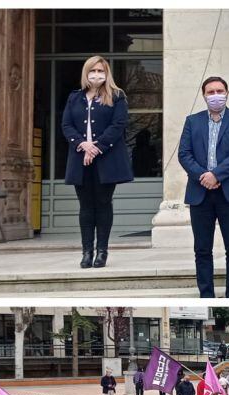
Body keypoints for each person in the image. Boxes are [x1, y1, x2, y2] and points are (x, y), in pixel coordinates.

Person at [179, 76, 229, 298]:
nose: (215, 95)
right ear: (203, 95)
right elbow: (184, 154)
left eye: (219, 91)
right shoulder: (193, 121)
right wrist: (204, 176)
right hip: (200, 192)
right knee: (202, 249)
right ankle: (206, 295)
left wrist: (217, 175)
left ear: (227, 93)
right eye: (210, 92)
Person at [61, 56, 134, 268]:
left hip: (107, 158)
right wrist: (83, 145)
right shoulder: (75, 97)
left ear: (106, 73)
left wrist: (97, 147)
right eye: (92, 71)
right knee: (85, 206)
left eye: (100, 71)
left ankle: (102, 251)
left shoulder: (117, 96)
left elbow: (118, 124)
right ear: (86, 73)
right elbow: (66, 125)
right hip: (80, 158)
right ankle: (86, 251)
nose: (96, 75)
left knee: (103, 203)